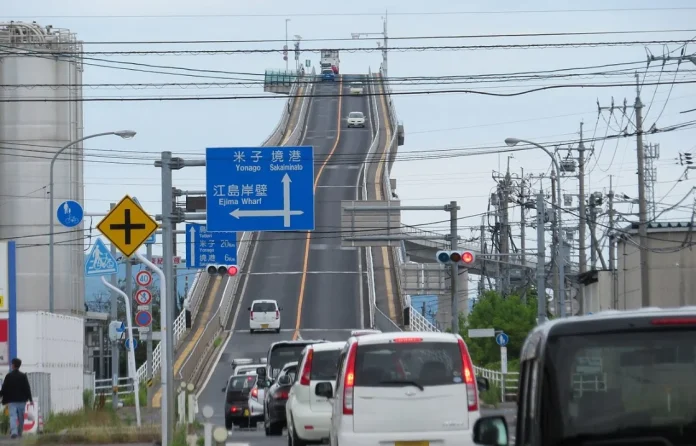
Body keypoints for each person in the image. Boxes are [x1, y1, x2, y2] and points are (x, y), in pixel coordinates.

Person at [0, 358, 33, 438]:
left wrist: (0, 395)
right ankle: (19, 431)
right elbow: (27, 388)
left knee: (13, 416)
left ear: (13, 365)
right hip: (22, 401)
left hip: (12, 401)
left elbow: (4, 388)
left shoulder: (9, 376)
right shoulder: (23, 376)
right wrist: (30, 399)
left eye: (12, 364)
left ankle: (14, 432)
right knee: (21, 417)